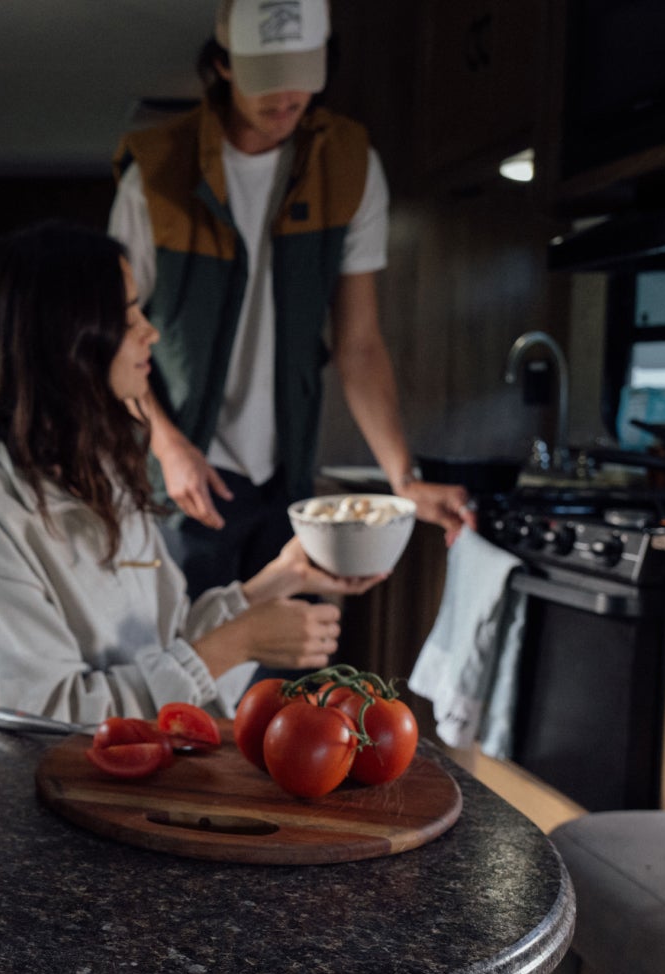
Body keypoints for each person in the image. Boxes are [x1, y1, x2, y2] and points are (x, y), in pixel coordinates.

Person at [0, 222, 385, 724]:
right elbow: (43, 715)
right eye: (128, 317)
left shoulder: (103, 468)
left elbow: (170, 644)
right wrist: (237, 645)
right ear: (69, 340)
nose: (151, 331)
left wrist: (280, 579)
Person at [109, 0, 475, 598]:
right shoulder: (154, 176)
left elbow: (359, 345)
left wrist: (402, 479)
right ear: (223, 66)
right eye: (266, 82)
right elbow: (114, 332)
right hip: (183, 477)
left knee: (278, 669)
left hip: (287, 482)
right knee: (184, 661)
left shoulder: (350, 166)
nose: (285, 99)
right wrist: (167, 445)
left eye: (301, 79)